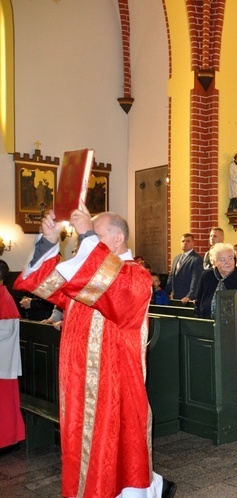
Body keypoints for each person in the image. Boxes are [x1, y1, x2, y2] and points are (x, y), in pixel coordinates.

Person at [14, 207, 175, 497]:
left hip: (113, 382)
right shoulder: (85, 272)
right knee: (82, 445)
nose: (85, 242)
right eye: (87, 237)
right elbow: (46, 283)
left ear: (118, 238)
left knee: (117, 448)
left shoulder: (136, 276)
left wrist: (86, 234)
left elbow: (112, 289)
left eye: (96, 235)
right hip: (78, 381)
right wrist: (49, 242)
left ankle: (145, 489)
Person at [194, 242, 237, 424]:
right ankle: (222, 409)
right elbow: (199, 301)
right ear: (214, 261)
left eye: (230, 258)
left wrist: (233, 321)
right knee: (218, 371)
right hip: (214, 333)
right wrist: (203, 321)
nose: (228, 262)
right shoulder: (207, 277)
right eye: (222, 259)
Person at [0, 259, 24, 456]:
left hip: (3, 361)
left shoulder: (4, 297)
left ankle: (8, 440)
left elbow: (5, 330)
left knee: (5, 404)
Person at [164, 233, 203, 303]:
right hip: (175, 296)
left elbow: (196, 279)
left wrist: (190, 296)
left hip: (187, 298)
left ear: (193, 243)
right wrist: (165, 293)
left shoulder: (197, 259)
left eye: (188, 241)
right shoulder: (176, 258)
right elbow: (171, 277)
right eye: (183, 241)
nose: (185, 243)